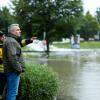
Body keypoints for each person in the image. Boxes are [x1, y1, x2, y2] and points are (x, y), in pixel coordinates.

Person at [3, 24, 36, 100]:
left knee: (10, 92)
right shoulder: (11, 41)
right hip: (13, 71)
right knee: (12, 93)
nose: (20, 31)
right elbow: (12, 57)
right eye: (18, 30)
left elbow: (20, 44)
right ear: (12, 32)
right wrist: (19, 69)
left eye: (19, 29)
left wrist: (29, 40)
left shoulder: (12, 40)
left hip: (11, 71)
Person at [0, 31, 6, 100]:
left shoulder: (4, 45)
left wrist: (29, 40)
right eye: (3, 37)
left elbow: (19, 44)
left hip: (4, 71)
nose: (4, 38)